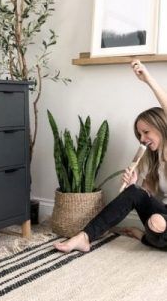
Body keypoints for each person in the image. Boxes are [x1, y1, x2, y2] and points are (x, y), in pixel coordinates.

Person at [54, 59, 167, 253]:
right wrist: (134, 186)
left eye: (146, 132)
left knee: (158, 225)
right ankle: (84, 237)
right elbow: (148, 198)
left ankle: (148, 237)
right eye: (140, 134)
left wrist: (148, 79)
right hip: (162, 217)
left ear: (161, 126)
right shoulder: (154, 163)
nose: (142, 138)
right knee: (141, 202)